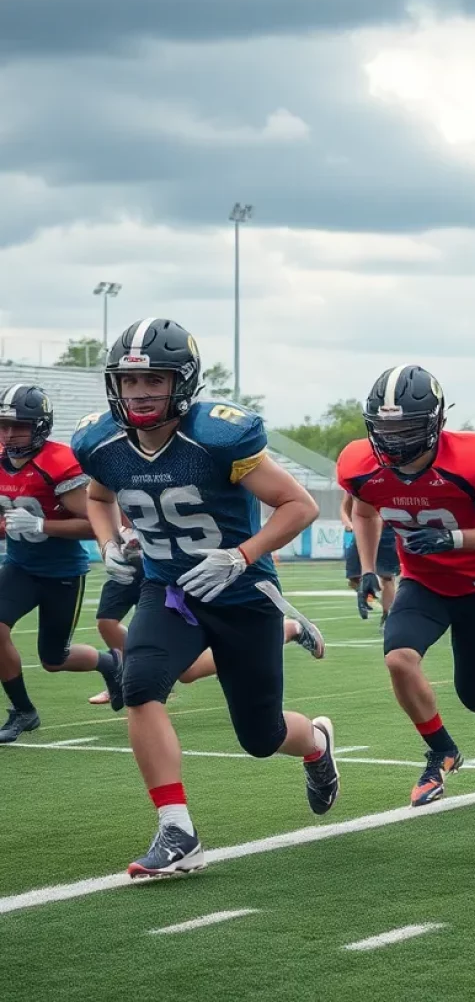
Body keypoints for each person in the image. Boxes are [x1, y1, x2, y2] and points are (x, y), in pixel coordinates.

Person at [72, 318, 338, 878]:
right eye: (129, 382)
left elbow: (299, 507)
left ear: (183, 383)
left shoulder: (216, 437)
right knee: (140, 684)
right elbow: (98, 498)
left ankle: (314, 743)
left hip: (242, 593)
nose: (140, 394)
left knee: (261, 736)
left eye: (156, 382)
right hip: (168, 588)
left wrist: (241, 554)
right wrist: (108, 541)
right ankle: (177, 830)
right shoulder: (102, 443)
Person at [337, 364, 475, 806]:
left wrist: (454, 538)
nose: (393, 438)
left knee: (474, 693)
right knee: (399, 660)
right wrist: (368, 567)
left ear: (434, 423)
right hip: (423, 584)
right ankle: (441, 751)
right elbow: (365, 513)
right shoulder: (363, 466)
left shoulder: (470, 463)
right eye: (384, 427)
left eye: (406, 427)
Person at [0, 384, 124, 744]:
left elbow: (95, 524)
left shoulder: (58, 462)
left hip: (61, 573)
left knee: (54, 659)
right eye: (3, 425)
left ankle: (111, 664)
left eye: (18, 425)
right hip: (20, 566)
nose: (9, 434)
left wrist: (42, 525)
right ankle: (23, 711)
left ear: (39, 425)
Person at [88, 522, 325, 703]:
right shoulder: (105, 464)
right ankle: (129, 675)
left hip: (171, 564)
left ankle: (288, 629)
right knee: (106, 622)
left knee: (187, 672)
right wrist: (108, 541)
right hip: (131, 557)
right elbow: (98, 500)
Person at [341, 488, 399, 630]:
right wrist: (349, 524)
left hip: (388, 530)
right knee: (354, 578)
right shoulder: (357, 479)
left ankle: (388, 617)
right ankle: (372, 594)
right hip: (364, 530)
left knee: (387, 576)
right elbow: (344, 506)